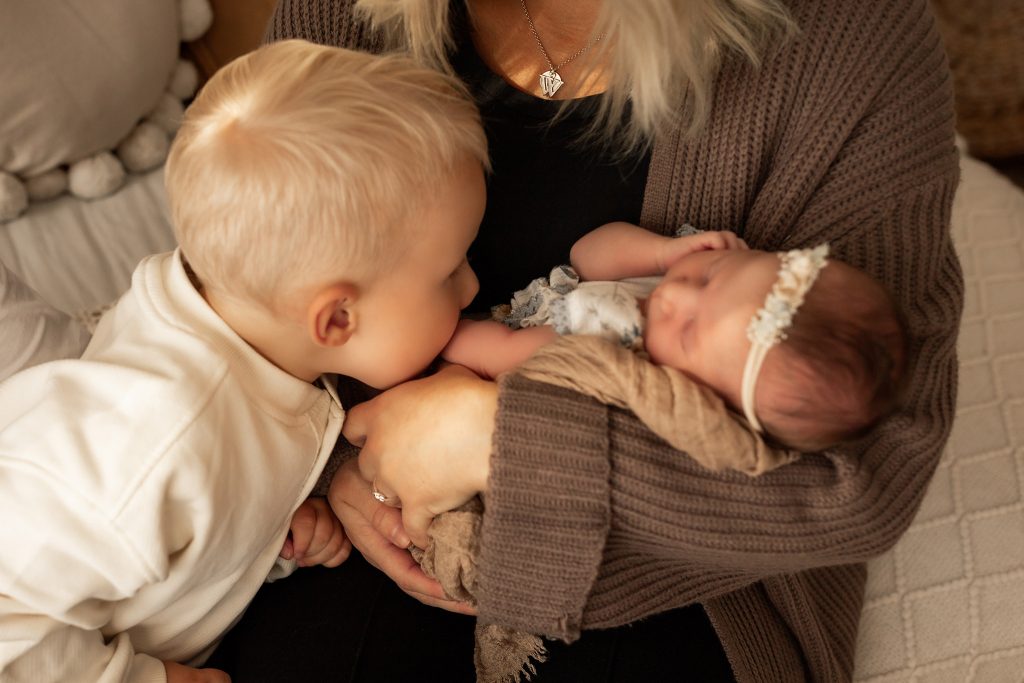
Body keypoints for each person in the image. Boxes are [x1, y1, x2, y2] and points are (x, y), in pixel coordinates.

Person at [209, 0, 963, 681]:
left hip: (687, 569)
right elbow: (254, 288)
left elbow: (868, 474)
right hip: (372, 519)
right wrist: (333, 453)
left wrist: (499, 440)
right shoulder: (354, 16)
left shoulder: (851, 36)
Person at [0, 39, 488, 683]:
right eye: (449, 271)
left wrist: (267, 534)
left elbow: (205, 511)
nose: (474, 287)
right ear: (337, 320)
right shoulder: (153, 440)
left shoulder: (249, 336)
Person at [444, 221, 908, 455]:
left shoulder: (619, 354)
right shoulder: (673, 280)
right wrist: (661, 252)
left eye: (688, 331)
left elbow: (504, 355)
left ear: (703, 397)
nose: (675, 296)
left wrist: (439, 338)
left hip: (483, 363)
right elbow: (585, 253)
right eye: (712, 275)